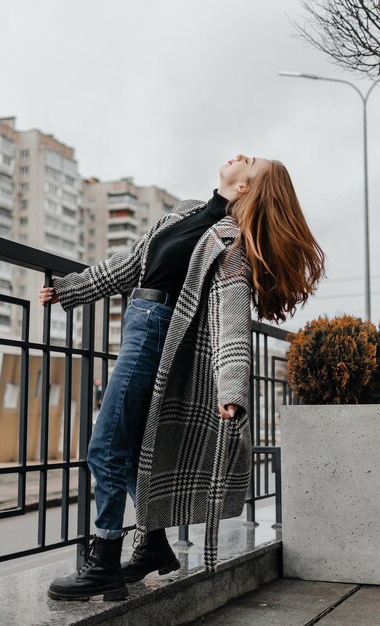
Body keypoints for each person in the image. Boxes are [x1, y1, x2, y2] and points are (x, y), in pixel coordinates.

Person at [39, 154, 326, 602]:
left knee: (106, 447)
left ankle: (104, 564)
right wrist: (70, 289)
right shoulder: (186, 211)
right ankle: (153, 545)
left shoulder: (230, 244)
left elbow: (230, 321)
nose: (238, 156)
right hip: (137, 322)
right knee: (130, 449)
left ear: (246, 187)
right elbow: (131, 264)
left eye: (248, 161)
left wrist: (232, 390)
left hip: (157, 331)